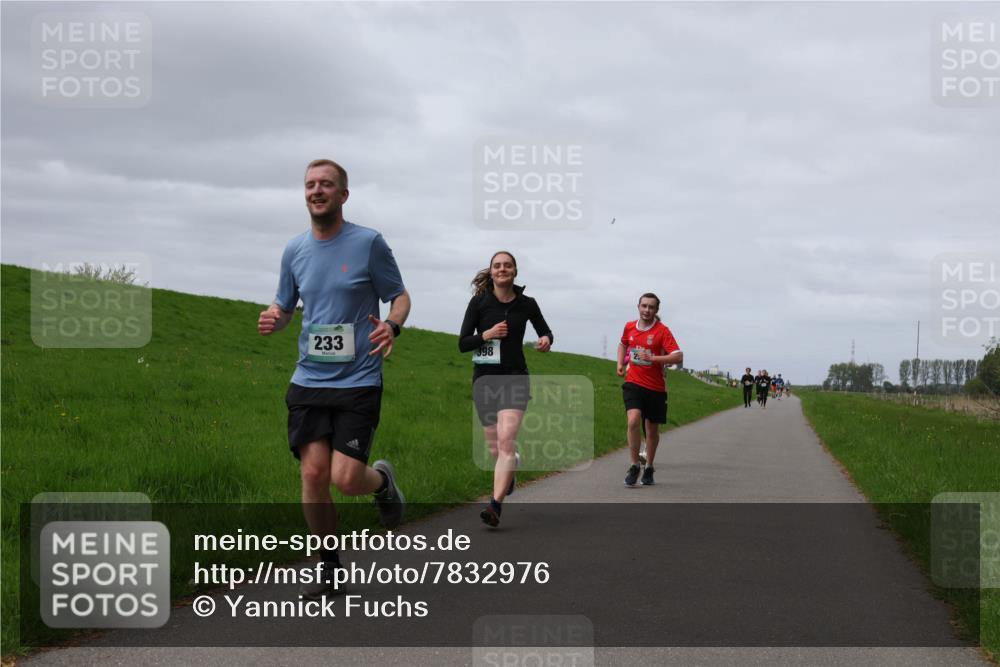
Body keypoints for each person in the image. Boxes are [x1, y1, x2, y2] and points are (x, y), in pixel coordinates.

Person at [258, 159, 411, 599]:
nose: (317, 190)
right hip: (309, 378)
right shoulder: (294, 250)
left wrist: (392, 325)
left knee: (345, 479)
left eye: (326, 184)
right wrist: (275, 317)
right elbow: (285, 305)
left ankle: (382, 482)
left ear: (343, 194)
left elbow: (399, 296)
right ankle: (328, 567)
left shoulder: (368, 243)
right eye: (310, 184)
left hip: (359, 379)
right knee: (313, 473)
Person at [459, 251, 553, 527]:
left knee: (506, 441)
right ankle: (510, 471)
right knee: (494, 448)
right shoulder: (479, 303)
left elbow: (545, 331)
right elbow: (463, 343)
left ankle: (495, 505)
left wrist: (546, 340)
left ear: (515, 271)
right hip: (485, 381)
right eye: (497, 266)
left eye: (507, 265)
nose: (502, 269)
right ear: (491, 271)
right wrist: (486, 335)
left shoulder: (527, 304)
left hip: (515, 378)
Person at [617, 293, 683, 486]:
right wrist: (620, 363)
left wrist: (652, 358)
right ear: (638, 306)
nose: (647, 310)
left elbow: (678, 356)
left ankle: (649, 467)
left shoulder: (662, 331)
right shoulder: (629, 326)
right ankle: (634, 465)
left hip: (655, 387)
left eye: (651, 307)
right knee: (633, 421)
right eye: (644, 306)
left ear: (656, 310)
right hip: (633, 383)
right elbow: (623, 344)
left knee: (651, 430)